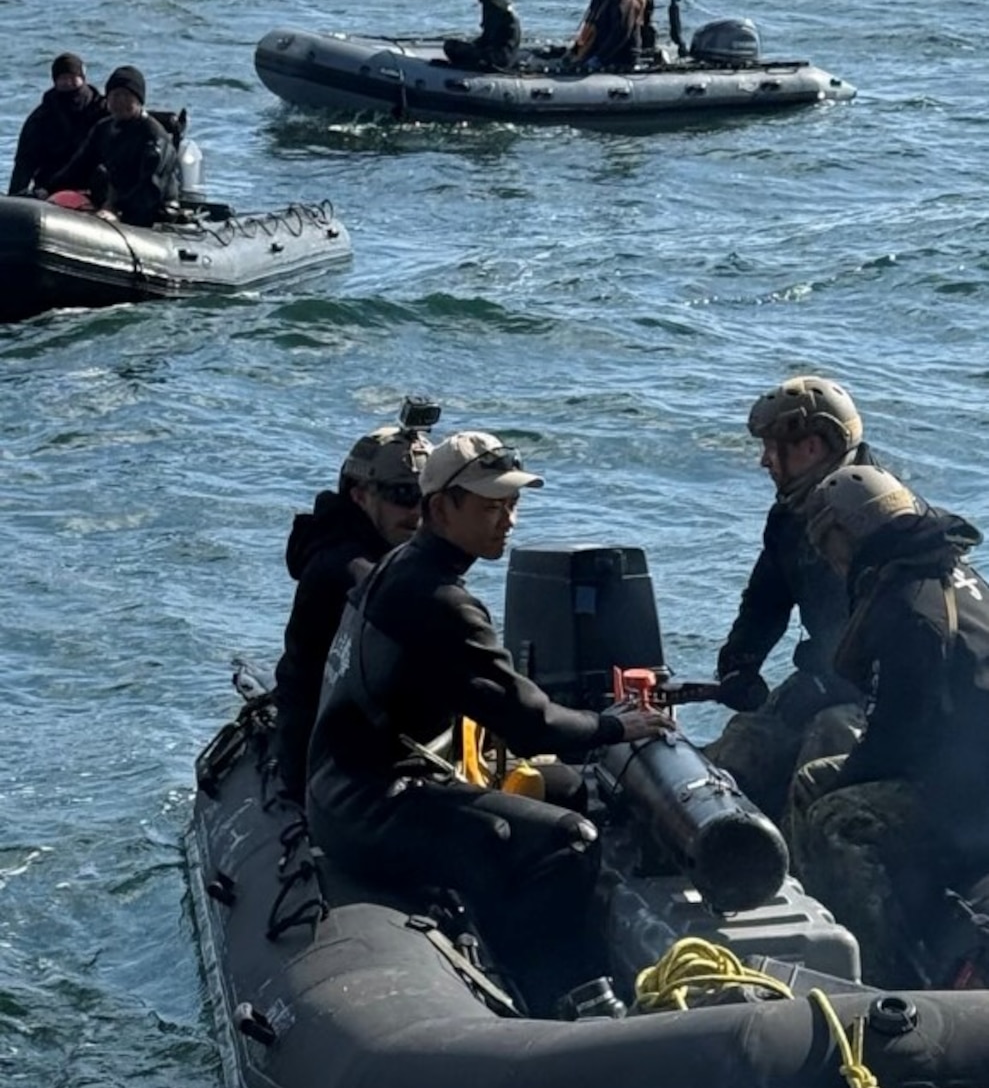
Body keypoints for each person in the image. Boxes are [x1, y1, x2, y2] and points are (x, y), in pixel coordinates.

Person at [306, 431, 671, 1015]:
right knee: (569, 841)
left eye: (513, 504)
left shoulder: (401, 566)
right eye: (491, 506)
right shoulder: (439, 600)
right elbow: (531, 723)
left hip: (343, 794)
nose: (509, 520)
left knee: (563, 789)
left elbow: (493, 696)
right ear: (441, 507)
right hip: (371, 809)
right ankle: (563, 997)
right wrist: (614, 725)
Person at [787, 465, 989, 986]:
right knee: (814, 780)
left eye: (829, 543)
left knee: (835, 817)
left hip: (971, 792)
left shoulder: (907, 608)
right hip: (959, 762)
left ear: (849, 535)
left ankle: (879, 980)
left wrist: (846, 781)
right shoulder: (950, 571)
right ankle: (821, 926)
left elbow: (891, 739)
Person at [704, 376, 880, 823]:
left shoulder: (879, 518)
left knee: (822, 749)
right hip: (820, 678)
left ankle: (799, 855)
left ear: (812, 448)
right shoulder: (790, 515)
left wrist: (828, 689)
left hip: (876, 700)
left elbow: (901, 639)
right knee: (737, 749)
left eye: (772, 448)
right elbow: (766, 599)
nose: (764, 461)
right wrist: (740, 664)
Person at [273, 423, 433, 806]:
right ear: (360, 496)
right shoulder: (351, 572)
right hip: (327, 770)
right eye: (402, 495)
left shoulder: (383, 555)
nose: (417, 511)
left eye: (429, 498)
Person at [47, 65, 179, 226]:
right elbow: (78, 167)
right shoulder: (104, 129)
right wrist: (48, 189)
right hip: (115, 202)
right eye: (115, 95)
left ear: (139, 100)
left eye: (126, 96)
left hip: (152, 209)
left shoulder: (154, 137)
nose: (120, 102)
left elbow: (149, 188)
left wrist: (118, 212)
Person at [7, 53, 106, 197]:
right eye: (63, 79)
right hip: (51, 189)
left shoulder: (103, 110)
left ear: (83, 78)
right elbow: (24, 161)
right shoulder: (41, 117)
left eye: (73, 78)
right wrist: (15, 196)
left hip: (95, 187)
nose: (68, 83)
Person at [443, 0, 521, 71]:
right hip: (507, 55)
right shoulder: (498, 1)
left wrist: (475, 47)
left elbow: (489, 38)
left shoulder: (492, 5)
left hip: (498, 57)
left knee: (451, 46)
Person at [572, 0, 643, 72]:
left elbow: (619, 35)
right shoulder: (602, 0)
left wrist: (598, 59)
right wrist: (574, 52)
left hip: (621, 61)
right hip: (602, 58)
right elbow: (591, 34)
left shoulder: (624, 0)